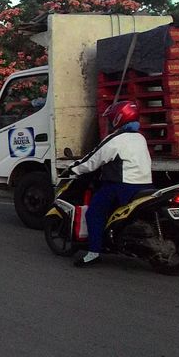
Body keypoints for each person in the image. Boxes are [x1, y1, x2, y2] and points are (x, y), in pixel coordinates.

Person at [67, 101, 152, 267]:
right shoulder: (140, 137)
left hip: (122, 186)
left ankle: (93, 253)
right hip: (146, 185)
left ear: (118, 119)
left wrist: (73, 169)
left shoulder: (115, 139)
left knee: (94, 213)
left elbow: (93, 160)